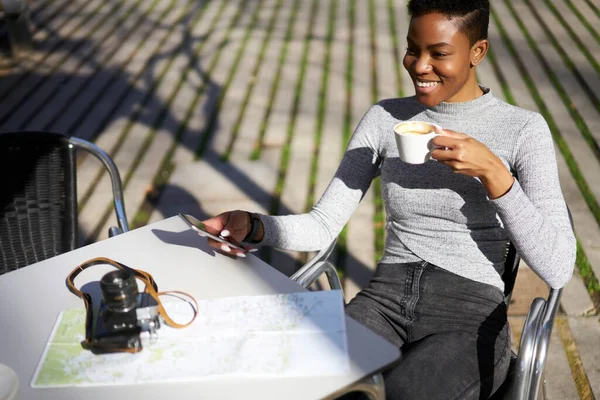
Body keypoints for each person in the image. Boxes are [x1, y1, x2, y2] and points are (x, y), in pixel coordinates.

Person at [201, 0, 576, 398]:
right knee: (304, 381)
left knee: (402, 393)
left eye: (439, 53)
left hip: (467, 314)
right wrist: (255, 225)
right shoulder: (385, 118)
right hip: (383, 299)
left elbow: (557, 268)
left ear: (477, 52)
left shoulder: (522, 130)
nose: (419, 65)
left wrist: (496, 175)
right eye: (413, 49)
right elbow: (322, 225)